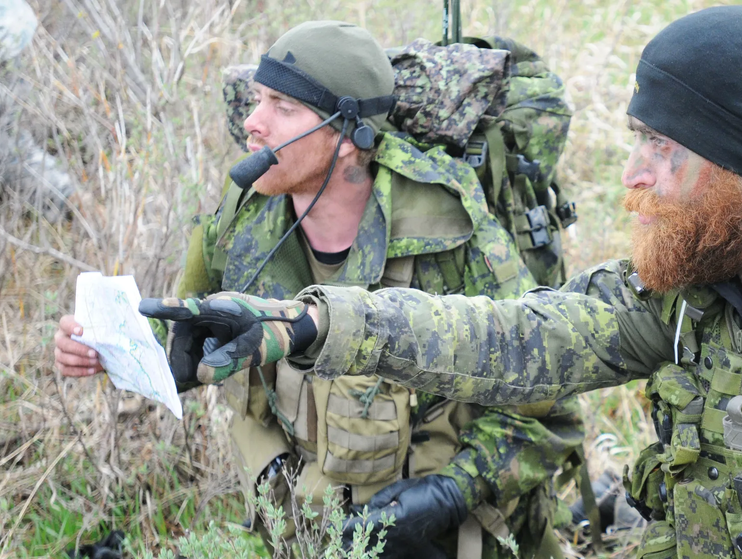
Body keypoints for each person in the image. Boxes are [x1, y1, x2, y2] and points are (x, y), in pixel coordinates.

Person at [145, 6, 742, 558]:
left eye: (661, 149)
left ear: (735, 165)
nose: (632, 176)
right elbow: (511, 339)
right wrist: (298, 326)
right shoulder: (691, 293)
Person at [53, 21, 586, 559]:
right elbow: (186, 337)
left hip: (446, 533)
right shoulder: (243, 222)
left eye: (283, 106)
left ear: (351, 136)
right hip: (311, 526)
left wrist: (451, 493)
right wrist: (108, 348)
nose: (252, 123)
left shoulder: (450, 229)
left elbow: (552, 401)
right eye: (258, 99)